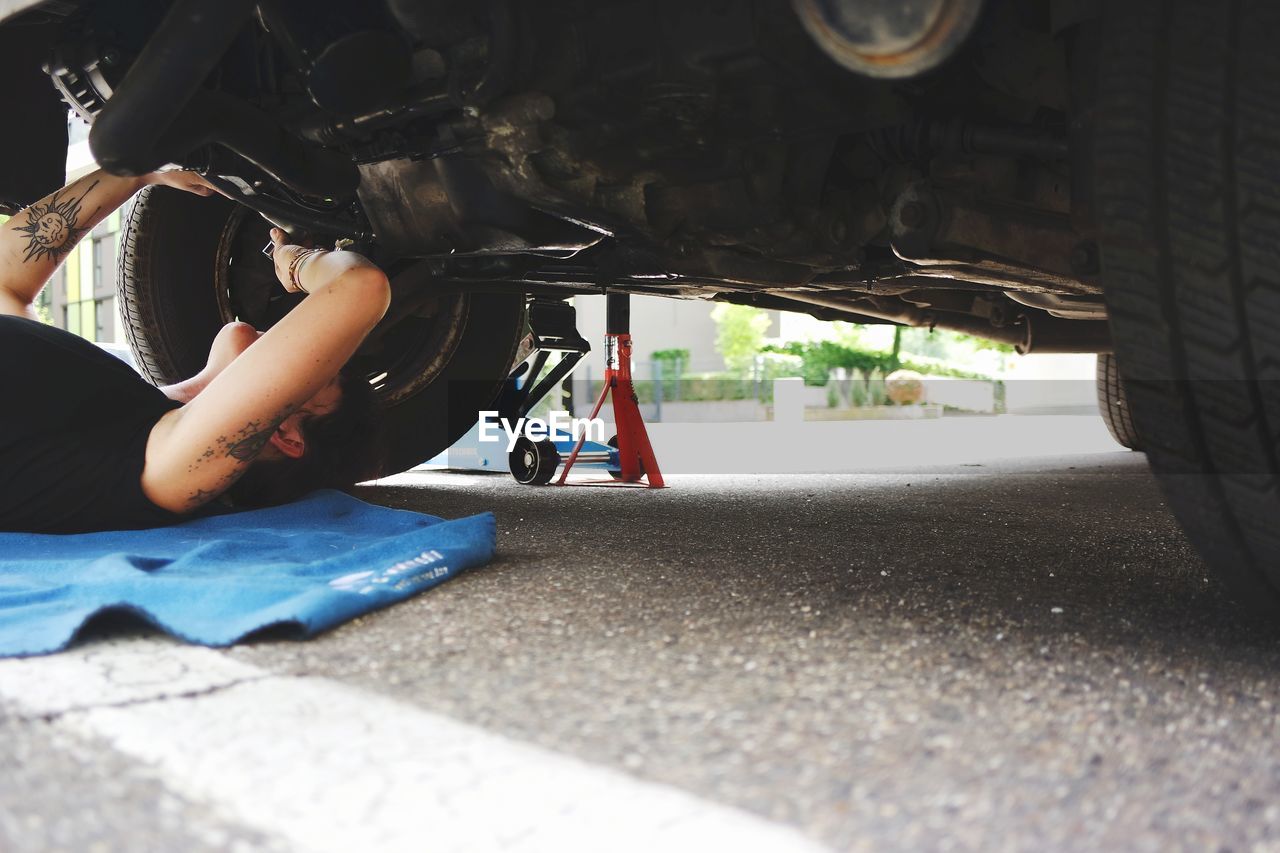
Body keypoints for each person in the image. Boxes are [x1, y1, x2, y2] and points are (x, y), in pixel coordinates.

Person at [0, 168, 391, 533]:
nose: (302, 344)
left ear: (287, 435)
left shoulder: (166, 472)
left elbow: (361, 286)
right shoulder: (116, 405)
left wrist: (296, 264)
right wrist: (138, 172)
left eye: (319, 369)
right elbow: (7, 288)